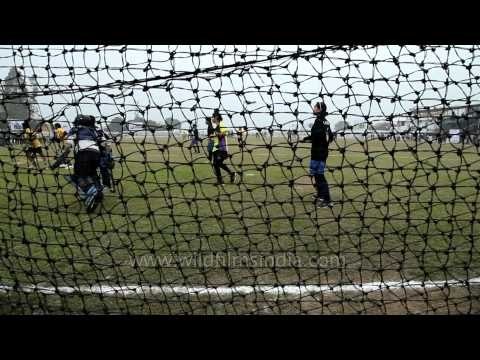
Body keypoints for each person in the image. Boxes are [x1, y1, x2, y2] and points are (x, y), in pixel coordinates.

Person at [52, 115, 106, 212]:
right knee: (91, 173)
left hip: (83, 154)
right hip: (96, 154)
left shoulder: (75, 129)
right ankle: (98, 192)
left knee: (78, 176)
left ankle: (92, 192)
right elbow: (104, 144)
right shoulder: (94, 130)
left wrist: (58, 161)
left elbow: (68, 146)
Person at [301, 102, 334, 208]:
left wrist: (307, 139)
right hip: (320, 152)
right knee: (315, 174)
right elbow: (331, 137)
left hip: (319, 153)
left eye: (315, 107)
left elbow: (316, 136)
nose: (314, 108)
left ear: (319, 109)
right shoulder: (326, 121)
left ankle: (327, 200)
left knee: (319, 176)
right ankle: (320, 194)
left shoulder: (319, 121)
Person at [211, 111, 238, 185]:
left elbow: (226, 132)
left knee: (217, 163)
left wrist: (217, 134)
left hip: (222, 148)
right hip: (216, 148)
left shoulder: (221, 125)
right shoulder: (217, 126)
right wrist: (213, 136)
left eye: (213, 117)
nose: (212, 118)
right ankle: (229, 175)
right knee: (217, 164)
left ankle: (223, 179)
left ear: (216, 117)